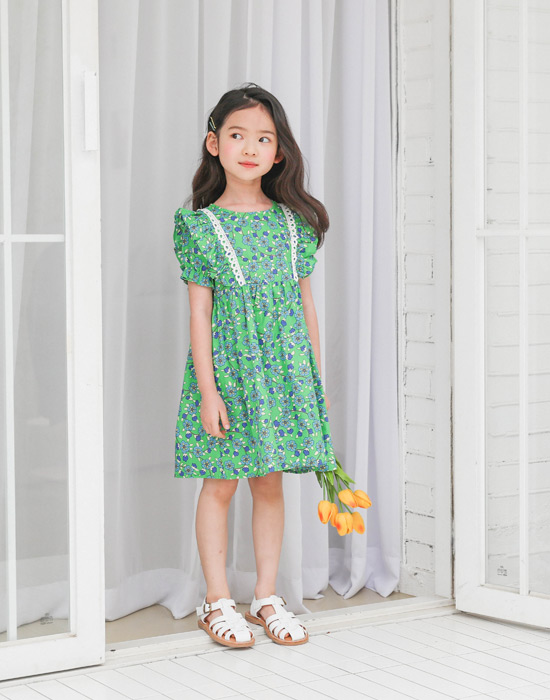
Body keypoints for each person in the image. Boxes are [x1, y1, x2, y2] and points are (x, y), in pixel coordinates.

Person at [172, 82, 338, 649]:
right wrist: (208, 391)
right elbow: (199, 314)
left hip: (284, 374)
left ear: (279, 152)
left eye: (264, 138)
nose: (250, 148)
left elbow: (305, 308)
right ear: (214, 144)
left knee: (269, 484)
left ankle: (267, 596)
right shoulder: (200, 226)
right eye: (238, 135)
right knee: (220, 484)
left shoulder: (294, 224)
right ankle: (217, 600)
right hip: (229, 376)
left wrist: (314, 380)